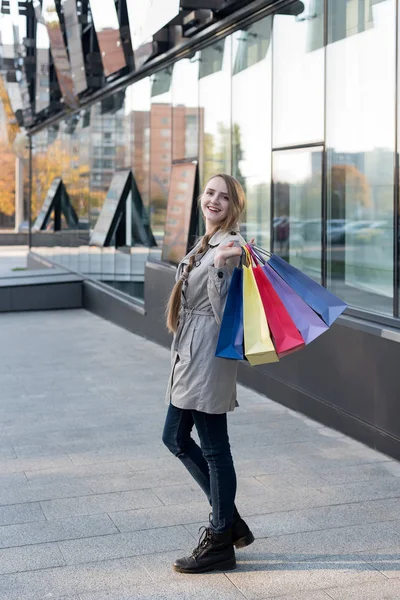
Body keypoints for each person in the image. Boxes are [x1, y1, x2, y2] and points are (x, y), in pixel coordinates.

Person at [162, 173, 254, 574]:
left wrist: (220, 268)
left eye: (224, 196)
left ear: (234, 206)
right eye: (210, 193)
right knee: (175, 436)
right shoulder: (207, 242)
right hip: (190, 352)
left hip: (207, 355)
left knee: (214, 448)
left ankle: (220, 540)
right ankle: (228, 521)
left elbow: (224, 316)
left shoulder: (230, 246)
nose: (214, 200)